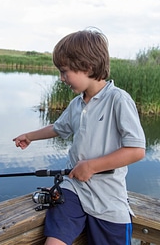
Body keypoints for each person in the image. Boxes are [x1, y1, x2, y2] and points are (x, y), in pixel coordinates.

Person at [13, 29, 146, 245]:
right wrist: (29, 136)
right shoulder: (76, 104)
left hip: (109, 201)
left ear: (88, 67)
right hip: (73, 190)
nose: (61, 78)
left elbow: (137, 150)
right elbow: (58, 128)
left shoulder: (118, 99)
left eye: (64, 71)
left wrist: (92, 166)